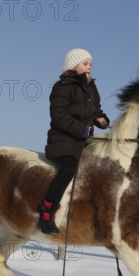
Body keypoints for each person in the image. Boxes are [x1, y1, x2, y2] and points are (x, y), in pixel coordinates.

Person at [38, 48, 110, 235]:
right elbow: (58, 116)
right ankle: (47, 213)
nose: (89, 67)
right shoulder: (61, 87)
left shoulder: (91, 87)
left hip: (84, 141)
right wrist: (82, 129)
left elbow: (95, 111)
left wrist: (101, 120)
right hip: (63, 141)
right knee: (69, 168)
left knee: (105, 165)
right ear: (73, 65)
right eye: (85, 63)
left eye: (91, 64)